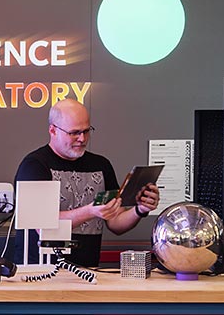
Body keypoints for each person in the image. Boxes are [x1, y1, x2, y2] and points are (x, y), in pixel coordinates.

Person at [13, 98, 162, 259]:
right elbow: (43, 226)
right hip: (40, 273)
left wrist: (140, 209)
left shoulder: (101, 165)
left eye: (86, 131)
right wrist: (90, 211)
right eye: (74, 133)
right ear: (53, 131)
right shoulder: (34, 166)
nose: (82, 139)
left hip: (89, 271)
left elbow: (116, 222)